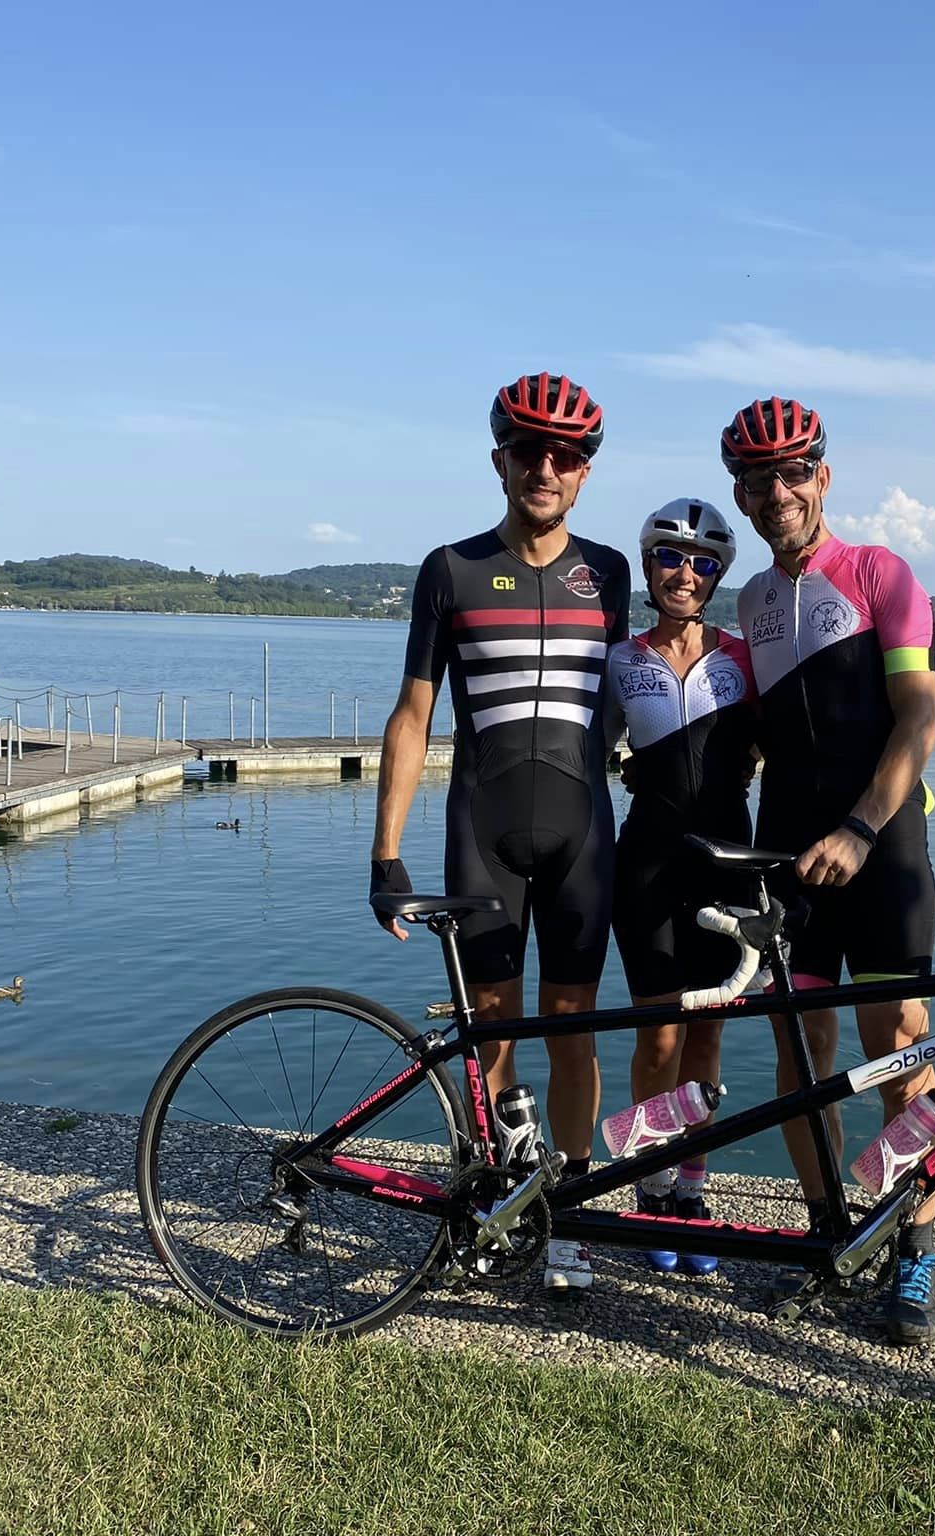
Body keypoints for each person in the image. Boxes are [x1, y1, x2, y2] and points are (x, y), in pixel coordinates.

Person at [370, 372, 630, 1293]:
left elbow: (630, 697)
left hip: (582, 833)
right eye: (528, 451)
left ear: (586, 473)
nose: (545, 468)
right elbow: (412, 716)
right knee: (492, 1028)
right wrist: (385, 852)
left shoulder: (612, 572)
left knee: (573, 1029)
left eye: (566, 456)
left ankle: (572, 1220)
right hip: (483, 831)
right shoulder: (451, 569)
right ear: (499, 461)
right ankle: (499, 1196)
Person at [721, 396, 935, 1345]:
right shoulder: (751, 602)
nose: (776, 492)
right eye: (756, 480)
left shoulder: (882, 574)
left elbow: (918, 721)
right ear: (741, 496)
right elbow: (759, 733)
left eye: (791, 472)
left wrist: (859, 828)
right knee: (800, 1062)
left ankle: (914, 1245)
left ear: (822, 476)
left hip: (882, 850)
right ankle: (829, 1237)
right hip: (789, 857)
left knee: (898, 1051)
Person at [603, 498, 758, 1277]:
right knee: (658, 1035)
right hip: (649, 866)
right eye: (669, 557)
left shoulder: (745, 659)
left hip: (729, 866)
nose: (685, 573)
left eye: (701, 563)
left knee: (707, 1036)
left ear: (718, 574)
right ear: (649, 565)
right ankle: (651, 1185)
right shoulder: (620, 661)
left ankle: (692, 1188)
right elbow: (582, 755)